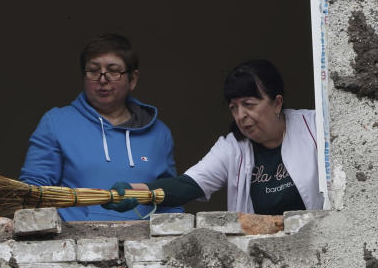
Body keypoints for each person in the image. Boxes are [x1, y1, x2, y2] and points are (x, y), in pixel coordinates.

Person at [106, 60, 324, 214]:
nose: (240, 116)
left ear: (277, 103)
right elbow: (190, 184)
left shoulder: (315, 126)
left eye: (249, 105)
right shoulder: (233, 147)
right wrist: (139, 191)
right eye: (233, 107)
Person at [19, 34, 182, 221]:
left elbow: (170, 199)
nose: (103, 79)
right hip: (74, 244)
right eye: (94, 71)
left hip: (143, 246)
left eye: (113, 71)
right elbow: (32, 193)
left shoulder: (159, 134)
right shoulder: (56, 123)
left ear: (133, 79)